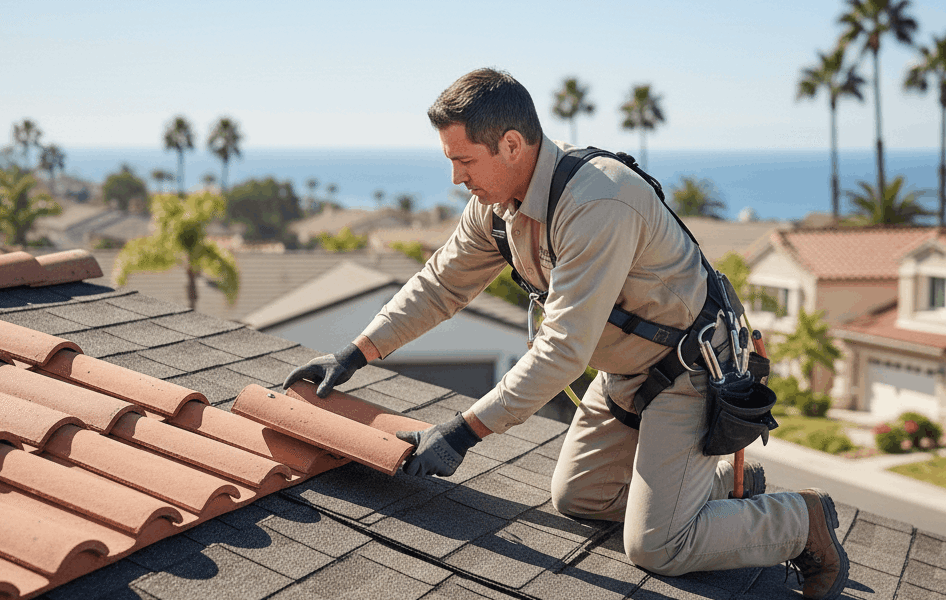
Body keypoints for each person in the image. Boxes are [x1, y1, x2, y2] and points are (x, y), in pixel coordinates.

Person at [284, 68, 849, 600]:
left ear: (511, 145)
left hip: (688, 375)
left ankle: (802, 520)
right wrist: (356, 352)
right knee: (578, 497)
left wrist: (461, 433)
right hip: (626, 371)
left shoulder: (598, 201)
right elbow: (440, 285)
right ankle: (719, 487)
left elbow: (562, 348)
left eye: (464, 161)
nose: (456, 177)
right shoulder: (498, 207)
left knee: (657, 547)